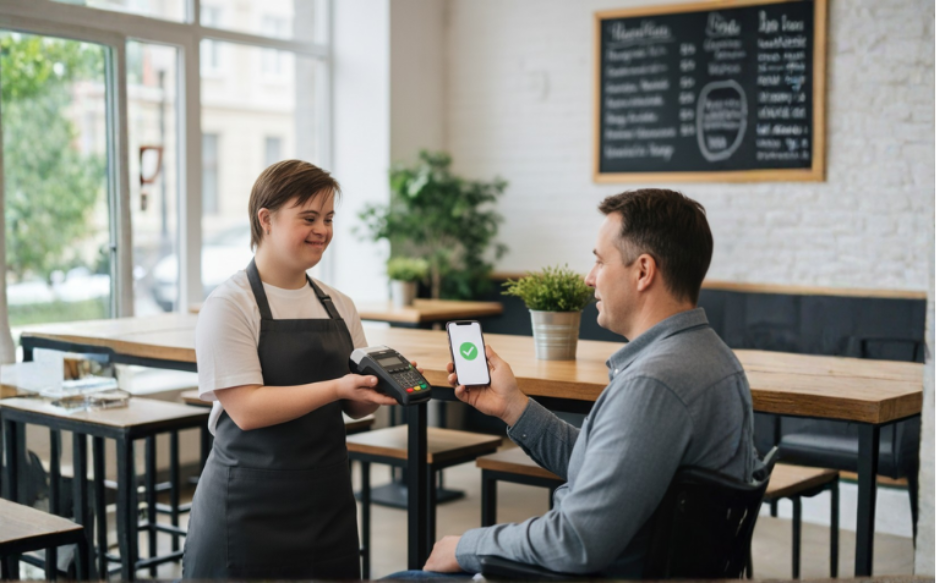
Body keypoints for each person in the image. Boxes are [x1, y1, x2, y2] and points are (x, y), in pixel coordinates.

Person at [421, 188, 759, 578]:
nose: (589, 278)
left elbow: (574, 542)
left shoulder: (654, 385)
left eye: (600, 261)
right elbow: (607, 471)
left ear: (643, 271)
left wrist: (466, 546)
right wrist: (513, 406)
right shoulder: (713, 359)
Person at [183, 160, 398, 579]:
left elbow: (356, 410)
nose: (323, 230)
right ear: (266, 219)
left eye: (329, 218)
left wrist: (380, 390)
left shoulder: (339, 304)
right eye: (309, 218)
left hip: (327, 503)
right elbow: (246, 409)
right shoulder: (229, 304)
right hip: (247, 508)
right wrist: (338, 387)